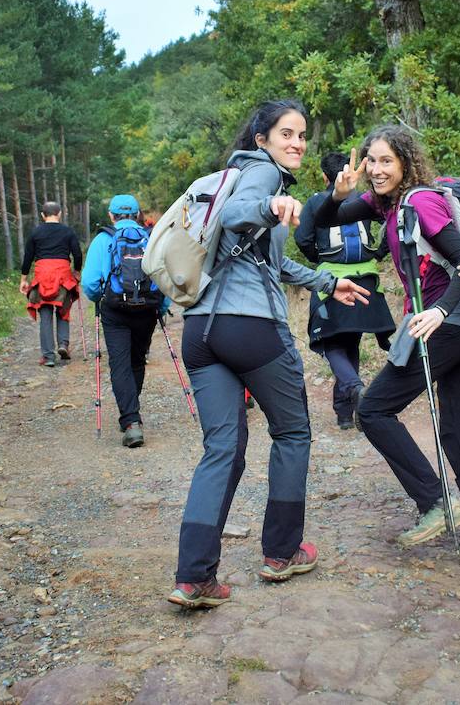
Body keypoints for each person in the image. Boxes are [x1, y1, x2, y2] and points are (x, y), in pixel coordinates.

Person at [168, 99, 371, 608]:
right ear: (261, 138)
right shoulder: (259, 177)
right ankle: (282, 552)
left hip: (201, 330)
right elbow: (244, 215)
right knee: (294, 431)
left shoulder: (229, 181)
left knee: (221, 449)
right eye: (286, 133)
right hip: (251, 328)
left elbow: (267, 263)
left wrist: (327, 282)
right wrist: (268, 205)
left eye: (302, 134)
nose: (297, 143)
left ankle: (194, 578)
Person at [313, 126, 460, 574]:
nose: (375, 169)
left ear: (406, 164)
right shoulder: (382, 204)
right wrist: (337, 194)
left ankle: (435, 500)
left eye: (386, 161)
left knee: (372, 410)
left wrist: (442, 313)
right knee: (456, 430)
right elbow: (326, 221)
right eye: (370, 160)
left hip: (448, 323)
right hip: (456, 326)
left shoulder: (421, 202)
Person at [294, 151, 396, 429]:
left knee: (332, 344)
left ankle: (354, 389)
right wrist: (380, 253)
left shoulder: (316, 202)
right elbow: (392, 222)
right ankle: (345, 413)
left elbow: (302, 238)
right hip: (367, 280)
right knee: (349, 342)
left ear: (326, 177)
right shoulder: (367, 200)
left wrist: (320, 259)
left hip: (333, 283)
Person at [81, 194, 164, 448]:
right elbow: (164, 274)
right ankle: (131, 413)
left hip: (115, 310)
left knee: (119, 364)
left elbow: (90, 283)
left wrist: (99, 299)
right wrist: (162, 306)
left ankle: (131, 421)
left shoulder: (103, 239)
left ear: (111, 215)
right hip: (147, 309)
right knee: (137, 360)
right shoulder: (152, 237)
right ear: (138, 214)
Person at [19, 201, 82, 368]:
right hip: (62, 273)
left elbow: (28, 257)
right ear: (59, 213)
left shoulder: (35, 232)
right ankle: (63, 344)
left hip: (43, 275)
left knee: (45, 313)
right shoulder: (68, 232)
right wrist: (77, 271)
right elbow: (77, 253)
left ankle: (48, 356)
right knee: (63, 310)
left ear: (42, 215)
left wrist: (24, 279)